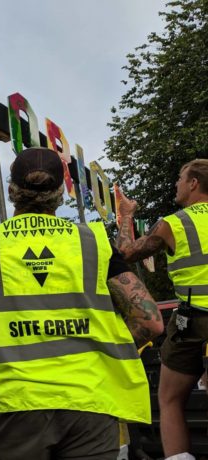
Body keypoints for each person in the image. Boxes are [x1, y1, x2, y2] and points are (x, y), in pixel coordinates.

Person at [0, 147, 164, 460]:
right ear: (60, 192)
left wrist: (14, 349)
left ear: (12, 190)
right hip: (90, 405)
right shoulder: (91, 242)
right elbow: (149, 322)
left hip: (18, 405)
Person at [116, 159, 208, 460]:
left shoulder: (175, 222)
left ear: (194, 183)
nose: (176, 184)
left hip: (193, 322)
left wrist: (127, 215)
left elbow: (127, 253)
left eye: (180, 178)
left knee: (169, 399)